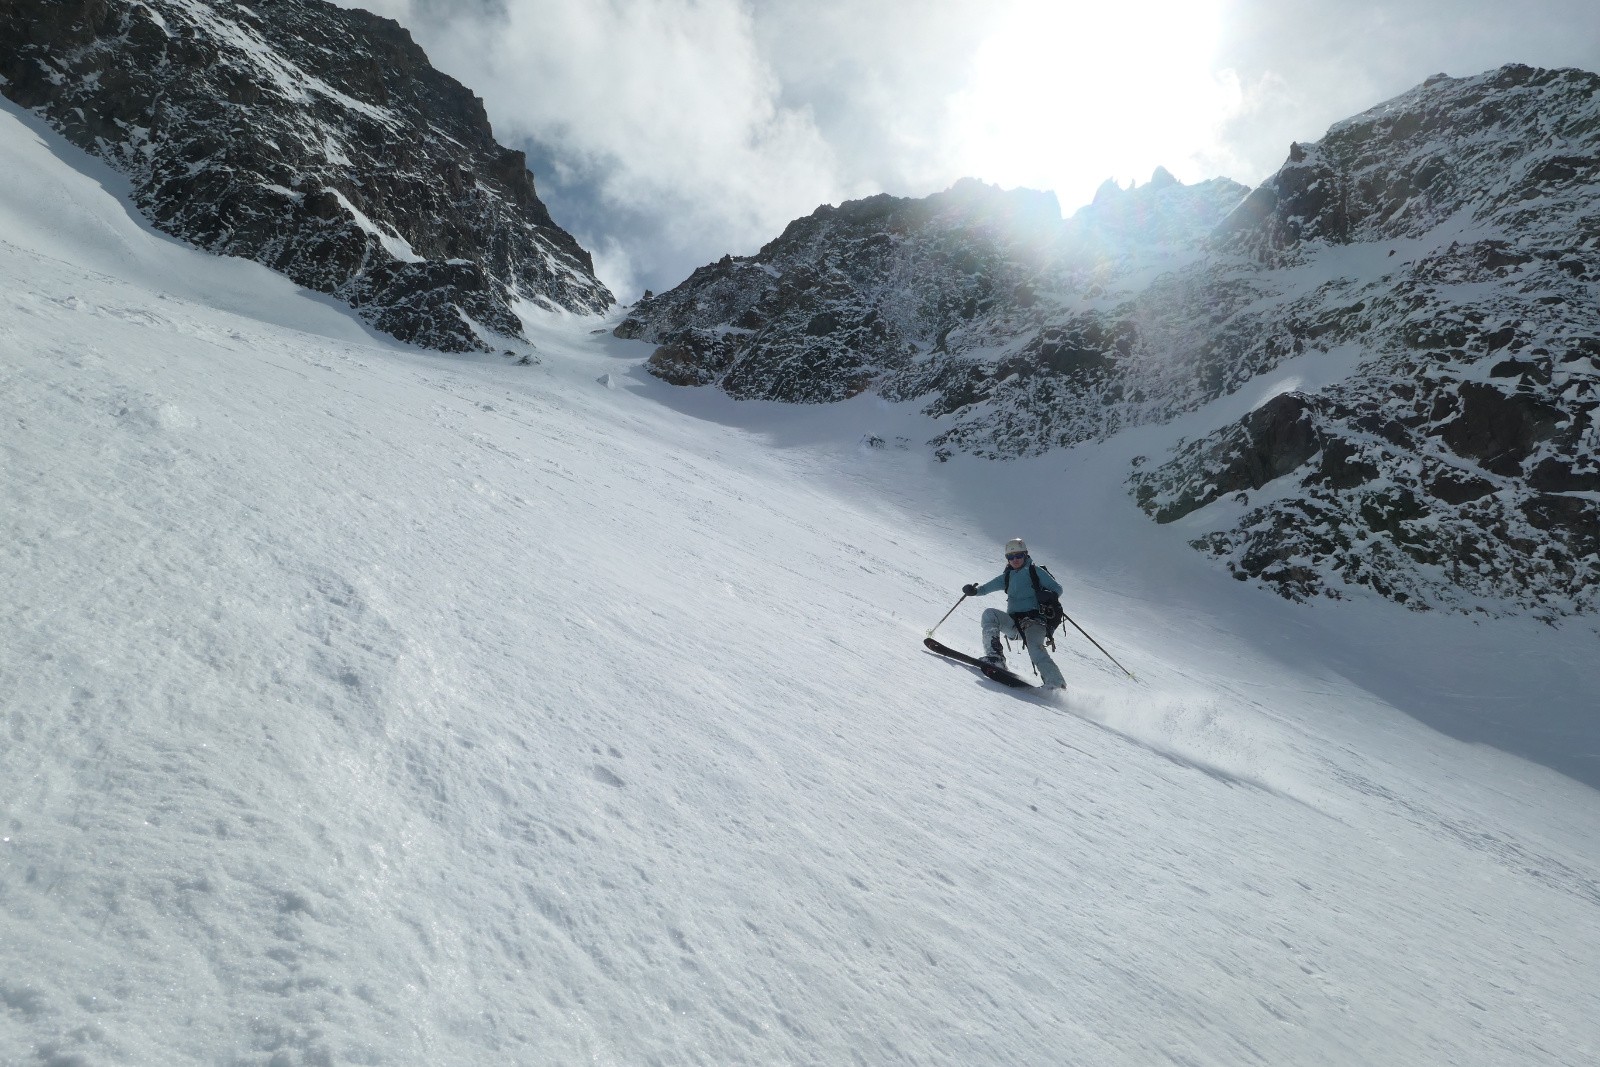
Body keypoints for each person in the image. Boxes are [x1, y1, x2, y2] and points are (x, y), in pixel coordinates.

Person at [961, 537, 1066, 690]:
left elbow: (1058, 588)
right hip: (1014, 624)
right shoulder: (1007, 577)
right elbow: (984, 589)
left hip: (1035, 622)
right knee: (989, 614)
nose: (1015, 559)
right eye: (1011, 557)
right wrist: (974, 591)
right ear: (1007, 559)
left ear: (1025, 555)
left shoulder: (1035, 571)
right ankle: (995, 658)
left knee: (1035, 648)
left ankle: (1056, 684)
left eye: (1019, 555)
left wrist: (1049, 595)